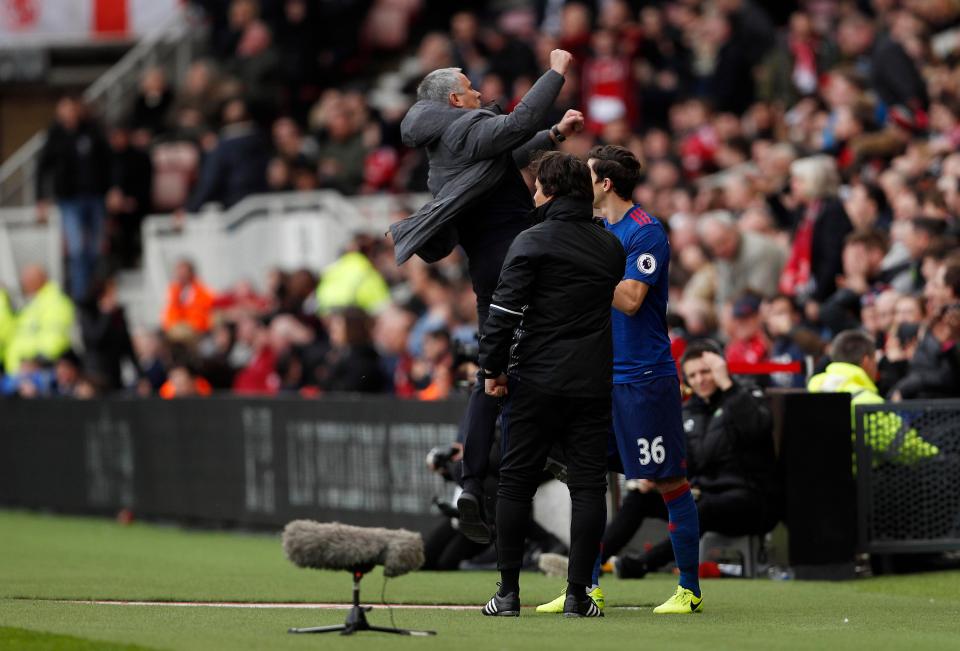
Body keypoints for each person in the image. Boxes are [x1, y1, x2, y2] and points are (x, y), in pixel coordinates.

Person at [393, 48, 585, 544]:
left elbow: (506, 155)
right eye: (470, 87)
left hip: (488, 269)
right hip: (516, 258)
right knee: (556, 345)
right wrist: (555, 72)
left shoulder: (448, 140)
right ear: (456, 99)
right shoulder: (464, 126)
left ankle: (472, 483)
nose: (479, 92)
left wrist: (556, 137)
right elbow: (517, 123)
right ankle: (558, 449)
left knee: (491, 373)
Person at [476, 152, 624, 618]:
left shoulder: (532, 240)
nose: (533, 194)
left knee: (515, 483)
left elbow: (503, 313)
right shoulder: (610, 247)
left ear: (552, 190)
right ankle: (580, 594)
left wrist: (491, 370)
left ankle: (509, 594)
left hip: (536, 377)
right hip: (592, 380)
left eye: (538, 187)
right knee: (587, 486)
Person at [587, 144, 703, 614]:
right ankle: (585, 586)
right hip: (601, 375)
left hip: (644, 376)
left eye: (588, 176)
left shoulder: (645, 231)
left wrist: (588, 270)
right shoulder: (595, 229)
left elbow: (632, 299)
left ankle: (690, 589)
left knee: (669, 481)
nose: (583, 184)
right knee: (587, 477)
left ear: (606, 183)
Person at [608, 341, 781, 579]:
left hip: (752, 501)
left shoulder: (747, 394)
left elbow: (757, 428)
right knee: (641, 496)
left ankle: (643, 564)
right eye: (693, 375)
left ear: (720, 369)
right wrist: (656, 478)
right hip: (704, 496)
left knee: (700, 509)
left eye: (706, 371)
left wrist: (728, 386)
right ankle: (593, 558)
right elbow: (687, 463)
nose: (700, 380)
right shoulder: (688, 412)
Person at [808, 329, 939, 465]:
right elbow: (903, 447)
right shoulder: (866, 402)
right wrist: (937, 457)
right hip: (858, 482)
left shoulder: (814, 388)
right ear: (866, 361)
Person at [35, 96, 111, 301]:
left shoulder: (92, 132)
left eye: (72, 109)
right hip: (69, 200)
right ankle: (80, 297)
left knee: (95, 250)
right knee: (77, 249)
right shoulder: (55, 136)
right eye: (65, 110)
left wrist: (112, 189)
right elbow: (42, 168)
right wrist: (41, 198)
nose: (70, 114)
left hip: (95, 197)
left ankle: (93, 292)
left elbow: (108, 161)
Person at [4, 265, 75, 375]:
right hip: (17, 372)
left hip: (36, 373)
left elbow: (55, 338)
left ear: (40, 279)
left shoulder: (55, 302)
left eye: (27, 279)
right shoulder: (34, 302)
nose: (23, 283)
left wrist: (39, 361)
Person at [161, 259, 216, 337]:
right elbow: (169, 315)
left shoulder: (203, 292)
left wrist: (189, 328)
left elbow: (203, 316)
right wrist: (175, 327)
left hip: (198, 332)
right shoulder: (173, 292)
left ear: (191, 273)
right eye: (178, 272)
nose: (180, 276)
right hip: (177, 331)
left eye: (184, 273)